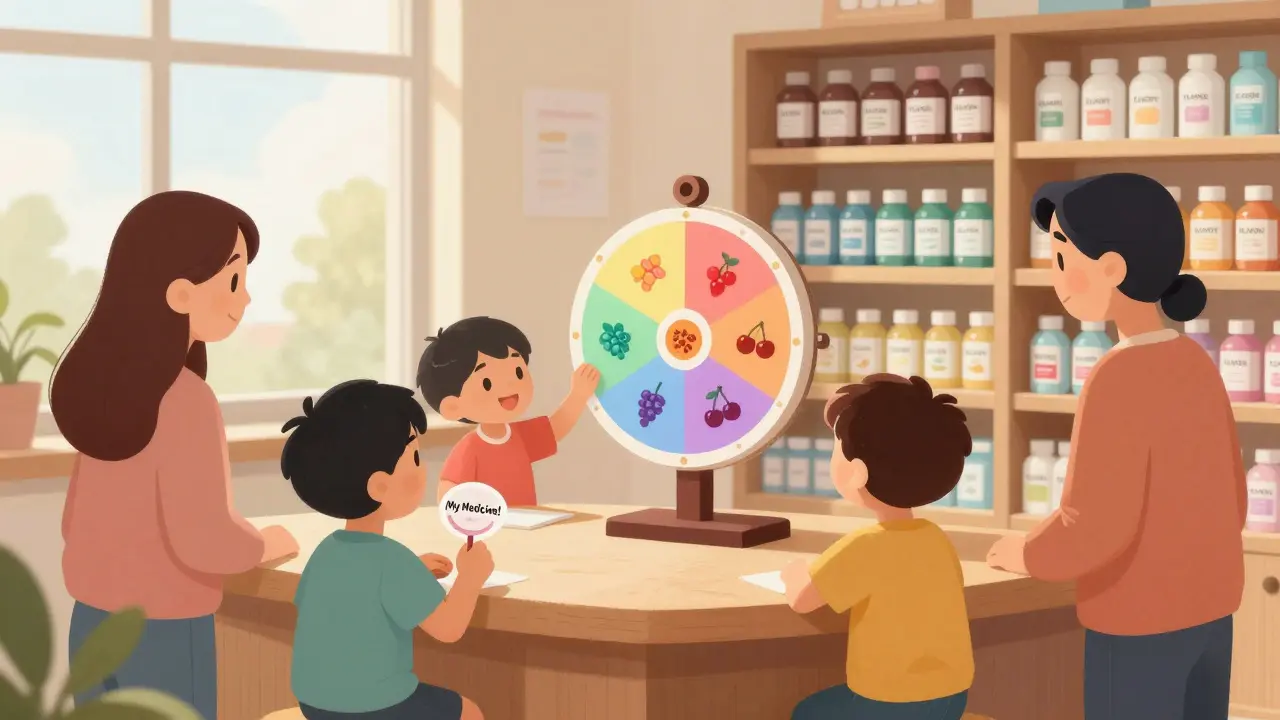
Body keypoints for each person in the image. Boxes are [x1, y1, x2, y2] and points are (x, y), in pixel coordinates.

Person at [986, 173, 1245, 720]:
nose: (1055, 276)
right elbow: (1233, 498)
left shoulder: (1117, 376)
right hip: (1212, 614)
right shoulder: (1196, 361)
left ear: (1111, 268)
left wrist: (1025, 553)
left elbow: (1095, 524)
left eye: (1062, 257)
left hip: (1139, 621)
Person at [52, 191, 299, 718]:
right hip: (162, 629)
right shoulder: (186, 401)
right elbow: (206, 539)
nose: (246, 298)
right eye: (234, 279)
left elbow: (73, 521)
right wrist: (265, 543)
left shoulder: (105, 393)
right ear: (181, 293)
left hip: (91, 623)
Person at [281, 380, 488, 720]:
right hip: (375, 707)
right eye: (415, 457)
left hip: (314, 705)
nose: (423, 468)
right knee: (470, 713)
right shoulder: (392, 560)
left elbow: (353, 592)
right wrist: (472, 575)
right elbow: (449, 629)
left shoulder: (326, 551)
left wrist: (413, 574)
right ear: (379, 485)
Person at [782, 374, 974, 720]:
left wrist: (794, 573)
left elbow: (802, 600)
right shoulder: (935, 537)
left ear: (857, 472)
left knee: (807, 713)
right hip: (952, 698)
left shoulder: (866, 545)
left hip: (887, 703)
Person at [416, 316, 600, 506]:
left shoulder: (519, 436)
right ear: (453, 406)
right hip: (490, 524)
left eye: (518, 372)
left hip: (527, 520)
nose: (510, 385)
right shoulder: (470, 449)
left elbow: (555, 429)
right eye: (487, 383)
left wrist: (578, 395)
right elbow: (450, 489)